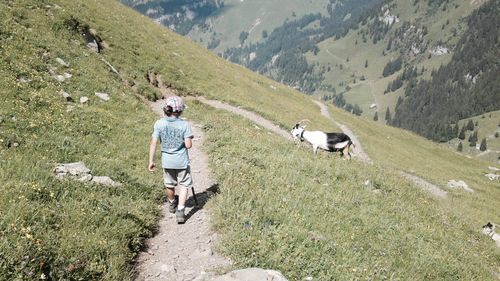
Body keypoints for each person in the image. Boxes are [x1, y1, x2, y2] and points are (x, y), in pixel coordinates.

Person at [148, 96, 194, 224]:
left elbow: (153, 143)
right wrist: (188, 138)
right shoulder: (185, 125)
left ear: (165, 110)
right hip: (181, 161)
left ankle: (172, 202)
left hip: (167, 161)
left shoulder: (159, 123)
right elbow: (188, 145)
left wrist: (151, 161)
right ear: (181, 111)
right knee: (184, 185)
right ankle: (180, 211)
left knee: (169, 184)